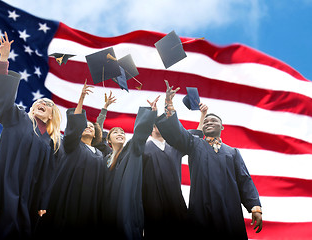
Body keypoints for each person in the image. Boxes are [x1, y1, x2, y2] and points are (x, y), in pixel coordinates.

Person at [0, 32, 62, 240]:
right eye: (39, 102)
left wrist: (43, 203)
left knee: (21, 230)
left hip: (28, 196)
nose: (43, 103)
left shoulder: (50, 142)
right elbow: (1, 99)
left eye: (48, 104)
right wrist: (3, 60)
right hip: (3, 183)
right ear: (32, 108)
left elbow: (47, 176)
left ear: (52, 115)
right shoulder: (16, 116)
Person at [155, 80, 263, 239]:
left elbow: (244, 180)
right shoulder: (193, 144)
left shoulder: (232, 153)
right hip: (201, 210)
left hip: (229, 210)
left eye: (213, 121)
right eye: (206, 122)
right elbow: (178, 133)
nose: (209, 123)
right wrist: (169, 103)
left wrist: (255, 207)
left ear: (222, 126)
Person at [38, 80, 104, 239]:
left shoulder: (100, 155)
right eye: (85, 125)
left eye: (92, 127)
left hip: (89, 206)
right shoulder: (72, 145)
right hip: (67, 201)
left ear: (96, 134)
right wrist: (81, 100)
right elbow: (74, 126)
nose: (88, 127)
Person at [141, 103, 207, 239]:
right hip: (152, 204)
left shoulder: (174, 147)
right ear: (151, 127)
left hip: (175, 202)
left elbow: (193, 139)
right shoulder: (143, 148)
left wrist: (203, 115)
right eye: (156, 123)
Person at [101, 96, 160, 240]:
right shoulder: (103, 158)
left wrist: (150, 114)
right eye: (115, 132)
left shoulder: (131, 150)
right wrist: (104, 110)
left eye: (122, 132)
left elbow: (140, 134)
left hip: (125, 203)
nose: (120, 133)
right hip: (106, 205)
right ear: (108, 140)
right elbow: (97, 136)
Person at [94, 91, 116, 156]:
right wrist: (105, 106)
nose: (119, 134)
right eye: (115, 132)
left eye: (121, 132)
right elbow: (99, 123)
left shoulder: (115, 153)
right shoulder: (96, 143)